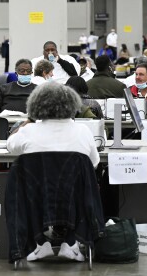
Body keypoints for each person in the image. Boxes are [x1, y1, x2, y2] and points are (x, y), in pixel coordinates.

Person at [7, 82, 99, 262]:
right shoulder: (83, 131)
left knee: (27, 195)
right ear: (72, 104)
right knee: (85, 188)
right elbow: (93, 163)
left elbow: (11, 146)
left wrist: (28, 121)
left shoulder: (29, 131)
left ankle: (40, 242)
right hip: (73, 197)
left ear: (36, 104)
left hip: (37, 197)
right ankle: (71, 242)